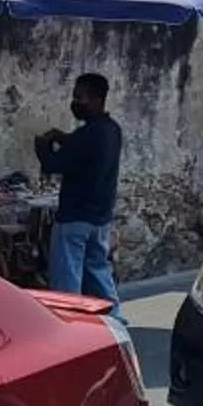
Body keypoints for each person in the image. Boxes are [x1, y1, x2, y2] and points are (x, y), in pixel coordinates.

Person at [35, 72, 123, 305]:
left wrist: (42, 146)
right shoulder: (111, 130)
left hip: (75, 218)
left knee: (67, 282)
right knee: (99, 276)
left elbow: (54, 164)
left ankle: (69, 326)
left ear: (96, 100)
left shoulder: (89, 135)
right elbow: (79, 148)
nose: (75, 103)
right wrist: (61, 137)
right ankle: (114, 323)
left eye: (80, 98)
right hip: (100, 218)